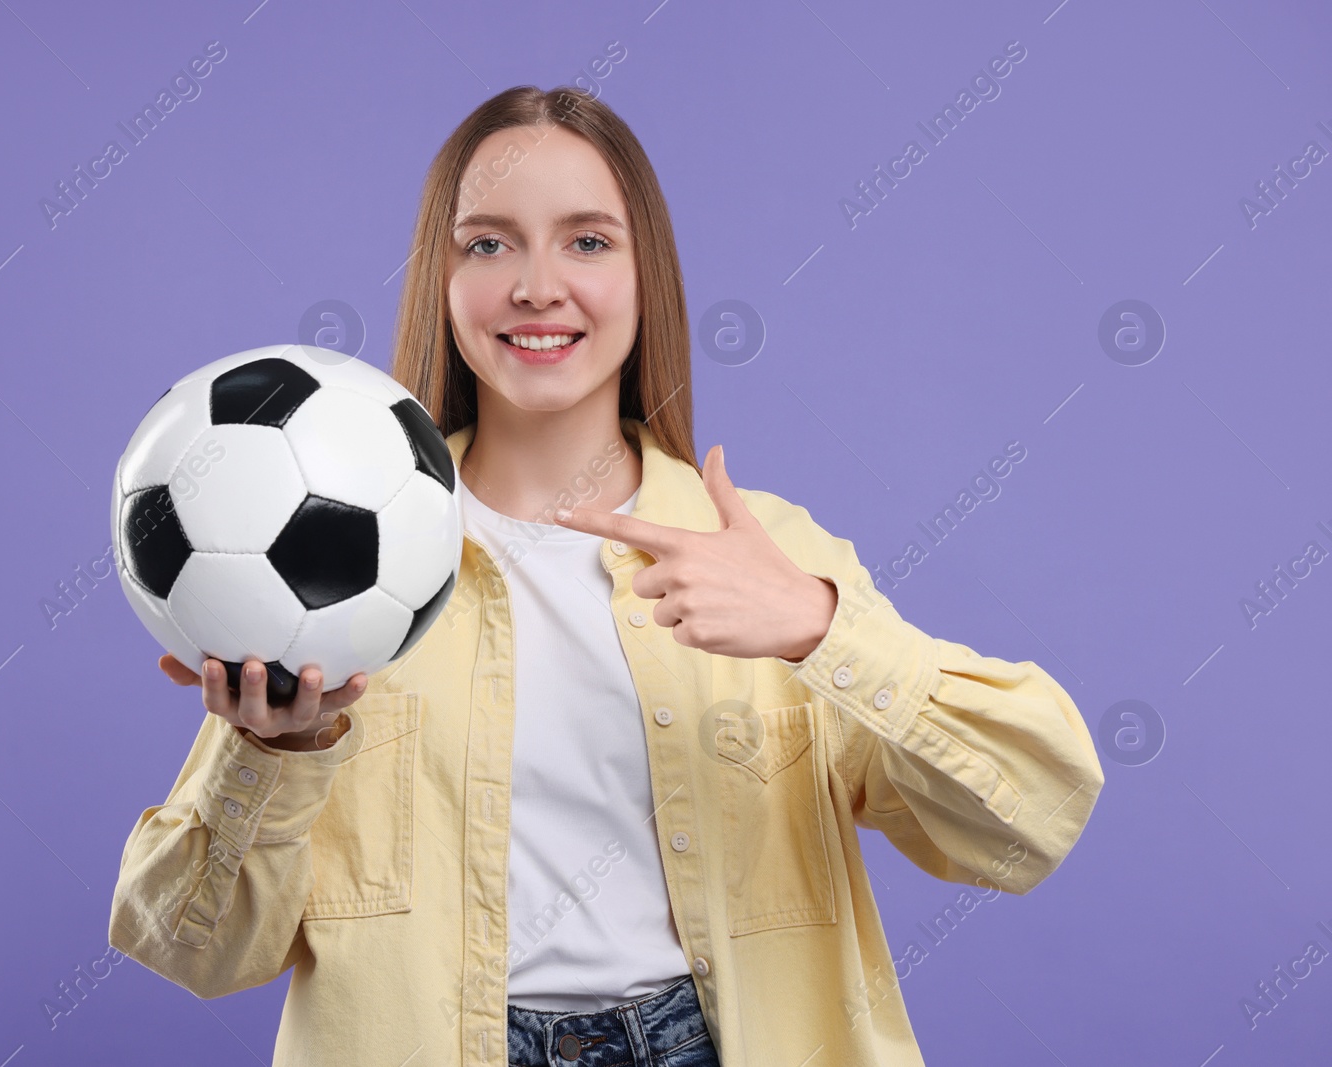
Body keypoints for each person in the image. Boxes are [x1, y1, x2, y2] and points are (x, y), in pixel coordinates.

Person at [108, 85, 1105, 1067]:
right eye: (487, 242)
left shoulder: (767, 552)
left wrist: (814, 624)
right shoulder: (328, 572)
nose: (538, 285)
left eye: (586, 240)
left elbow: (1029, 817)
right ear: (440, 279)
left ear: (646, 276)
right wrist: (271, 757)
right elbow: (196, 950)